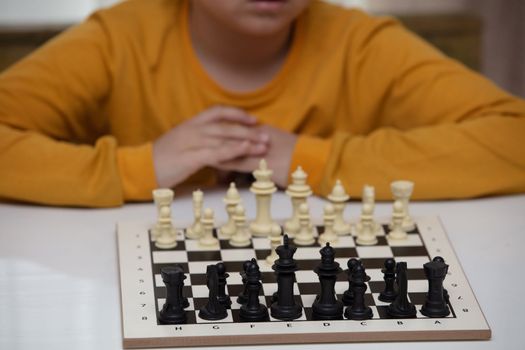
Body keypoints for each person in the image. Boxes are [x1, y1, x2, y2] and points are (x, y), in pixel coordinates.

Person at [0, 0, 524, 207]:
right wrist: (138, 167)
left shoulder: (359, 43)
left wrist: (314, 160)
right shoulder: (119, 39)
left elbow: (513, 135)